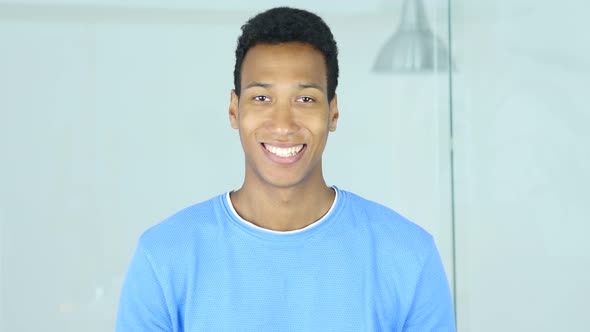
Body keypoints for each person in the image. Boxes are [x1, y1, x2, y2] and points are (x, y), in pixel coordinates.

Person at [115, 7, 455, 331]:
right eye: (262, 98)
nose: (282, 124)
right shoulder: (163, 257)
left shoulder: (409, 257)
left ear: (332, 113)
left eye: (305, 99)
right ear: (234, 110)